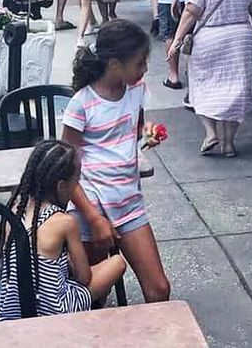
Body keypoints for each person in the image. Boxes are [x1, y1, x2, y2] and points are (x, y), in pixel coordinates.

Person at [62, 20, 170, 303]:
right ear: (114, 64)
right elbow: (66, 170)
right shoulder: (81, 104)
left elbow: (136, 135)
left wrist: (149, 137)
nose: (145, 68)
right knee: (93, 293)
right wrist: (93, 218)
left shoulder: (136, 91)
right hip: (90, 207)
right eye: (139, 62)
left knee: (159, 289)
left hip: (128, 203)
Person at [0, 139, 127, 319]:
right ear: (61, 186)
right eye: (76, 182)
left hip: (13, 309)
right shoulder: (65, 222)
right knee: (117, 263)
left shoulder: (14, 210)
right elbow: (84, 278)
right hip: (55, 310)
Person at [165, 0, 252, 158]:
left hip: (209, 39)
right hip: (240, 39)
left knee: (202, 86)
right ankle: (228, 143)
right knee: (236, 89)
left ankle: (210, 133)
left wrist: (176, 40)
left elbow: (191, 12)